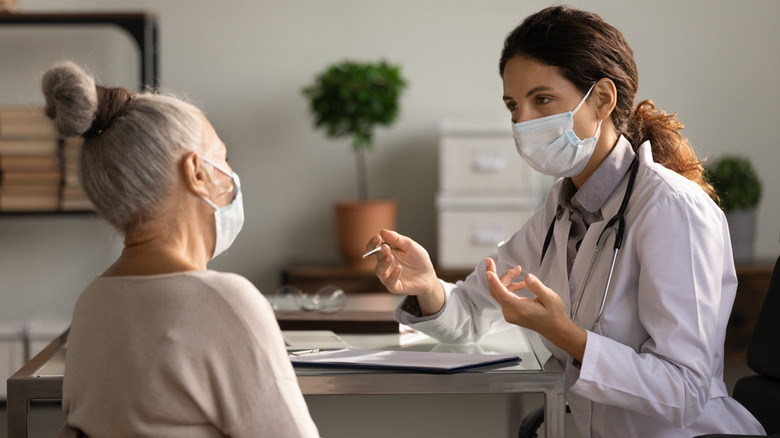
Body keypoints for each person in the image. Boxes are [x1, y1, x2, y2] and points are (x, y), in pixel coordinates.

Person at [366, 6, 764, 437]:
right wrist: (427, 286)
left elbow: (684, 392)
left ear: (603, 99)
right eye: (513, 106)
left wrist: (569, 337)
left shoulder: (672, 209)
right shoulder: (561, 212)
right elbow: (470, 311)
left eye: (543, 100)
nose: (523, 122)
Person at [43, 61, 319, 437]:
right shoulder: (223, 302)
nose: (230, 172)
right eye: (221, 157)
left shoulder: (91, 304)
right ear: (198, 173)